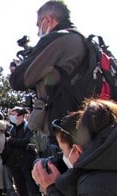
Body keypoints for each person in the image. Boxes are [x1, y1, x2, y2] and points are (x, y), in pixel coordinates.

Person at [32, 99, 117, 196]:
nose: (63, 157)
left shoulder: (95, 185)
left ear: (76, 150)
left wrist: (52, 188)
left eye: (63, 151)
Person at [9, 0, 86, 136]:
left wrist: (18, 68)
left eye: (39, 25)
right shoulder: (81, 40)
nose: (38, 31)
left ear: (48, 20)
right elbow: (55, 78)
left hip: (62, 123)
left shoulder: (57, 39)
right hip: (83, 119)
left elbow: (18, 80)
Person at [6, 107, 45, 196]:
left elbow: (26, 142)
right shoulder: (12, 129)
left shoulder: (29, 127)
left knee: (33, 190)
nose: (12, 116)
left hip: (27, 163)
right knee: (21, 191)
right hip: (15, 165)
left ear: (22, 116)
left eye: (15, 114)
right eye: (11, 114)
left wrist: (11, 140)